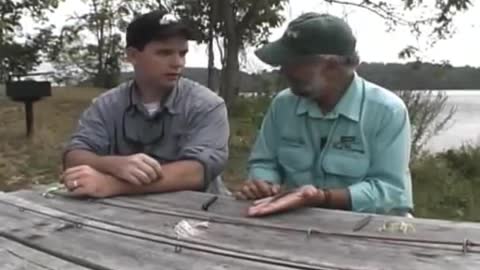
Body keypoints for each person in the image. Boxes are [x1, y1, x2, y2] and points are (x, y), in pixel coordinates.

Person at [235, 12, 413, 217]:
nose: (283, 71)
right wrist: (264, 184)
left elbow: (390, 192)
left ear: (332, 66)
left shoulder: (387, 111)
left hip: (368, 229)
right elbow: (264, 162)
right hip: (294, 223)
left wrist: (322, 198)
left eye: (293, 64)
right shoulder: (283, 104)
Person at [60, 10, 230, 198]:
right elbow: (74, 156)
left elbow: (197, 171)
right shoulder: (106, 105)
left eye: (182, 53)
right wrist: (114, 164)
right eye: (164, 53)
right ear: (133, 56)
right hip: (120, 214)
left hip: (198, 214)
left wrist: (113, 184)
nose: (177, 62)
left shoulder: (207, 105)